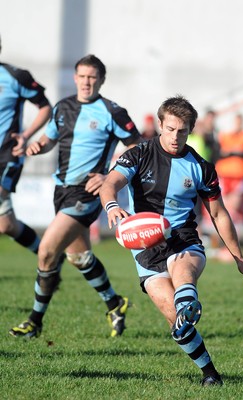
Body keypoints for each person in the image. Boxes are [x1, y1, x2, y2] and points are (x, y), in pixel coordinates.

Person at [99, 95, 243, 386]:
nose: (175, 136)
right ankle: (210, 374)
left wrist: (238, 257)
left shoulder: (201, 167)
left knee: (183, 271)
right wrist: (111, 205)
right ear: (160, 125)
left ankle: (188, 301)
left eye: (182, 131)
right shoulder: (138, 154)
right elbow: (110, 183)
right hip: (145, 249)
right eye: (170, 129)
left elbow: (220, 214)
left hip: (183, 239)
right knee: (177, 323)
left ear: (190, 131)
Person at [9, 54, 141, 339]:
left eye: (92, 77)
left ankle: (34, 321)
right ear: (75, 78)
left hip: (86, 193)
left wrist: (109, 176)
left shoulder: (112, 111)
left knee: (46, 252)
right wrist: (36, 146)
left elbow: (137, 148)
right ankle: (115, 303)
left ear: (101, 80)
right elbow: (50, 139)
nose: (86, 82)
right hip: (61, 191)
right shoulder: (63, 107)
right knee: (79, 256)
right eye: (82, 76)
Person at [0, 35, 51, 254]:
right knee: (6, 225)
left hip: (7, 153)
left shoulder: (15, 76)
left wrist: (27, 135)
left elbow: (45, 107)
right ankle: (46, 256)